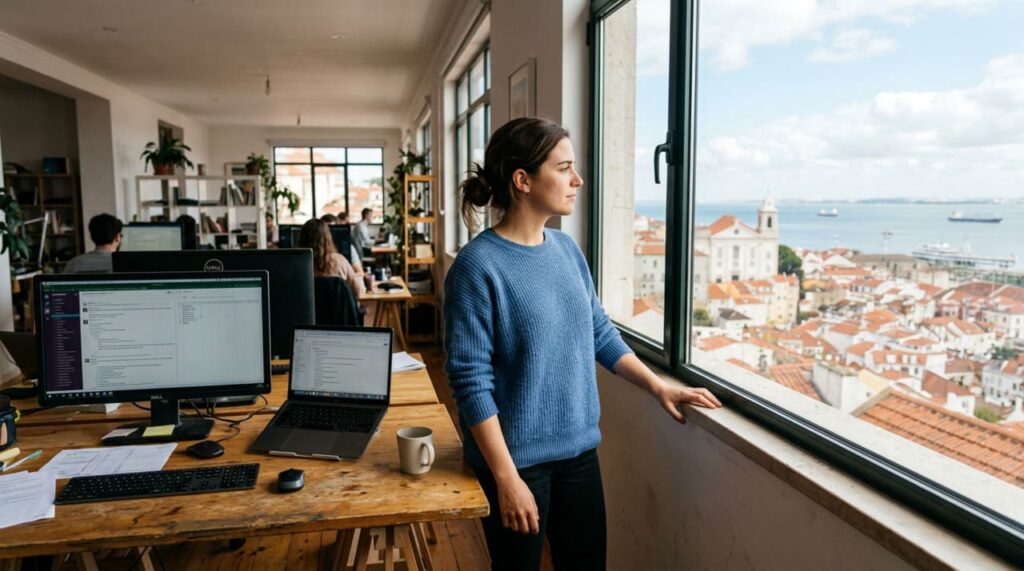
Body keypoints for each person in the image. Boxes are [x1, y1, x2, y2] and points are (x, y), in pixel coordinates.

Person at [444, 118, 722, 570]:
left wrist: (658, 386)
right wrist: (506, 478)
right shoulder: (478, 268)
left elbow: (599, 331)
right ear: (523, 180)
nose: (578, 180)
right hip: (515, 464)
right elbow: (471, 383)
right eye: (564, 168)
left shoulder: (567, 250)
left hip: (578, 454)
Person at [296, 218, 365, 295]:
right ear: (328, 237)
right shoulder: (340, 261)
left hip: (307, 307)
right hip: (337, 307)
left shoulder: (296, 264)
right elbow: (358, 291)